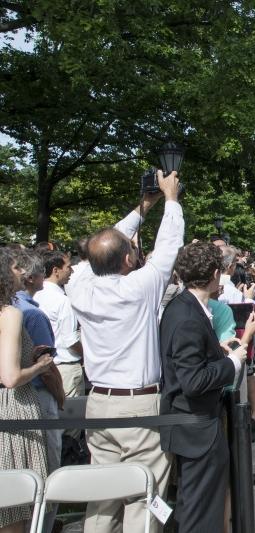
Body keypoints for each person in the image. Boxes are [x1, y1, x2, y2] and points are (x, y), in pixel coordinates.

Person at [69, 170, 182, 532]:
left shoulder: (79, 287)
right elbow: (168, 247)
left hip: (98, 401)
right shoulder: (139, 288)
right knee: (143, 494)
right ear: (129, 261)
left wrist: (141, 208)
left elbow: (95, 253)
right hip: (138, 403)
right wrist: (170, 200)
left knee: (102, 494)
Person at [159, 242, 253, 533]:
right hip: (196, 426)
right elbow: (193, 380)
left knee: (195, 505)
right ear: (215, 273)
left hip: (192, 425)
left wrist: (219, 353)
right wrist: (234, 361)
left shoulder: (184, 306)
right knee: (201, 510)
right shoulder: (187, 316)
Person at [0, 248, 54, 533]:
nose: (20, 272)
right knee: (13, 508)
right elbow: (10, 377)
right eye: (14, 268)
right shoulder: (8, 312)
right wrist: (40, 366)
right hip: (11, 408)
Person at [35, 250, 84, 445]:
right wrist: (87, 356)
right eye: (68, 266)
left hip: (44, 368)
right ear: (56, 270)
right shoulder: (62, 301)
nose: (71, 271)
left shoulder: (36, 295)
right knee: (69, 429)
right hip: (65, 368)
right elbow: (70, 340)